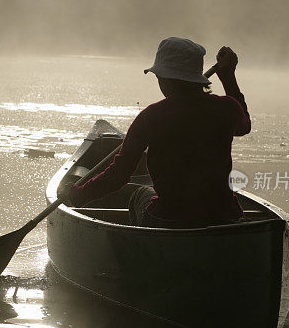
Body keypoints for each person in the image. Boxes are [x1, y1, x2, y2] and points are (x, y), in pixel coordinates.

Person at [69, 37, 251, 227]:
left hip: (168, 219)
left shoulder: (151, 116)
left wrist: (78, 195)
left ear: (165, 78)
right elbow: (244, 126)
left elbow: (119, 174)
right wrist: (228, 77)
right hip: (225, 218)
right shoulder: (227, 108)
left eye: (158, 78)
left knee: (139, 194)